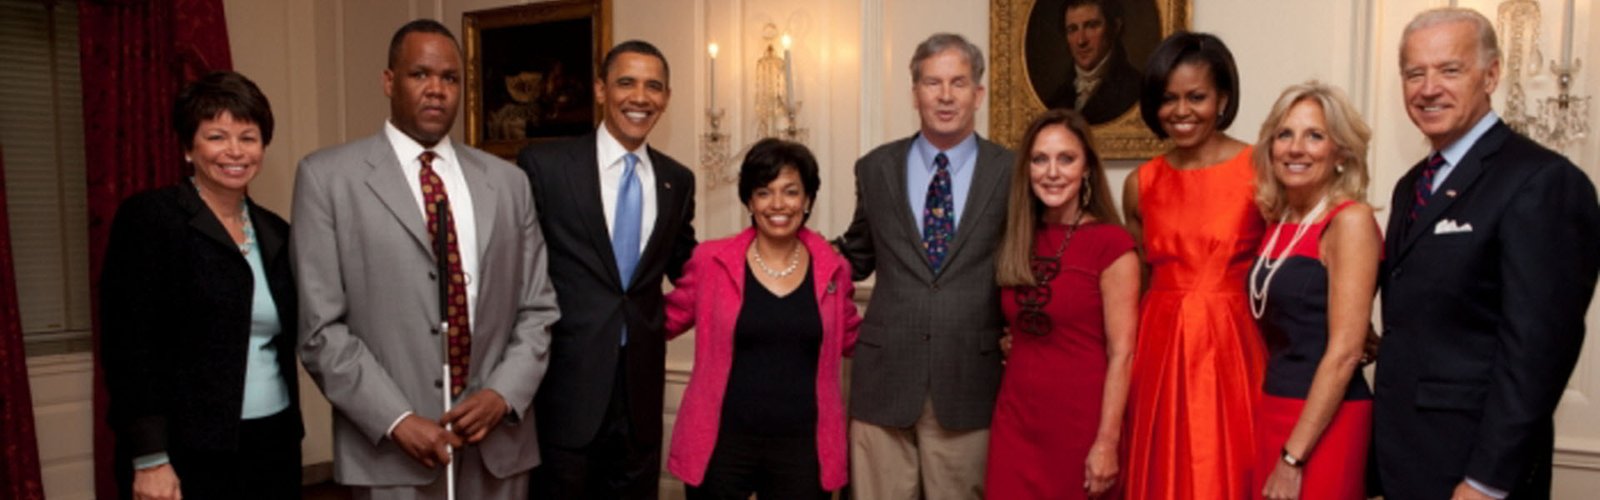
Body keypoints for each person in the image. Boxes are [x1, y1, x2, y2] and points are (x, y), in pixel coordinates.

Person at [293, 19, 560, 499]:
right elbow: (321, 329)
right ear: (389, 81)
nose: (437, 90)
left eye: (450, 78)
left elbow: (538, 308)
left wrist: (502, 394)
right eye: (420, 75)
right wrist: (395, 419)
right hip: (390, 454)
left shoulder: (508, 183)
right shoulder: (327, 179)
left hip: (497, 448)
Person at [1373, 8, 1600, 499]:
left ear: (1491, 74)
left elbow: (1538, 352)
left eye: (1449, 70)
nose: (1428, 88)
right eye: (1415, 73)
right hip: (1406, 460)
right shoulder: (1412, 185)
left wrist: (1486, 482)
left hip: (1476, 473)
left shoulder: (1542, 182)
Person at [100, 70, 301, 500]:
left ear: (263, 147)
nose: (234, 151)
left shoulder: (276, 232)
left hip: (274, 440)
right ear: (188, 147)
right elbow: (129, 349)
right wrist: (150, 457)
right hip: (186, 450)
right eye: (216, 136)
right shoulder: (152, 220)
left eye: (248, 137)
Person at [834, 32, 1015, 499]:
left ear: (978, 94)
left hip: (969, 382)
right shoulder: (874, 168)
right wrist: (780, 252)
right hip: (884, 379)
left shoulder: (1011, 172)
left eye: (958, 82)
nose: (946, 95)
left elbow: (1024, 260)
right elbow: (856, 254)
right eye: (932, 83)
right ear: (915, 93)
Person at [516, 39, 698, 499]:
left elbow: (689, 265)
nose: (641, 97)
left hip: (639, 393)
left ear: (667, 97)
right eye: (626, 83)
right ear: (600, 90)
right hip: (565, 390)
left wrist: (769, 258)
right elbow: (517, 272)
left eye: (654, 86)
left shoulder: (677, 180)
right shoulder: (546, 166)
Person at [661, 138, 861, 499]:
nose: (778, 204)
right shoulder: (711, 262)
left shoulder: (835, 270)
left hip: (803, 449)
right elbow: (660, 321)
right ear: (750, 202)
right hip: (721, 445)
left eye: (790, 192)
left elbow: (855, 339)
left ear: (808, 200)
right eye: (764, 192)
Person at [1118, 31, 1266, 499]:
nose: (1181, 111)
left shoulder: (1259, 168)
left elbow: (1291, 263)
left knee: (1229, 469)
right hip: (1158, 346)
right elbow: (1138, 279)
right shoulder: (1141, 183)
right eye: (1168, 99)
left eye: (1196, 97)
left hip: (1232, 344)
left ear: (1222, 98)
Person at [985, 109, 1139, 499]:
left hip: (1080, 427)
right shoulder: (1019, 235)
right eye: (1040, 159)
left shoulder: (1112, 245)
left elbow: (1123, 353)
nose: (1052, 172)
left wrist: (1107, 441)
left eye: (1066, 159)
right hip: (1015, 423)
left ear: (1086, 166)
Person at [1247, 82, 1379, 500]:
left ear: (1340, 152)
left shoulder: (1350, 221)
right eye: (1285, 134)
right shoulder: (1277, 222)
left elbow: (1343, 352)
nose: (1296, 148)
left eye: (1315, 135)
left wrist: (1292, 458)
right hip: (1274, 406)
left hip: (1326, 421)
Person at [1044, 0, 1143, 124]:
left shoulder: (1137, 90)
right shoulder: (1057, 100)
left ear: (1115, 27)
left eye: (1091, 26)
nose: (1081, 41)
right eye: (1072, 29)